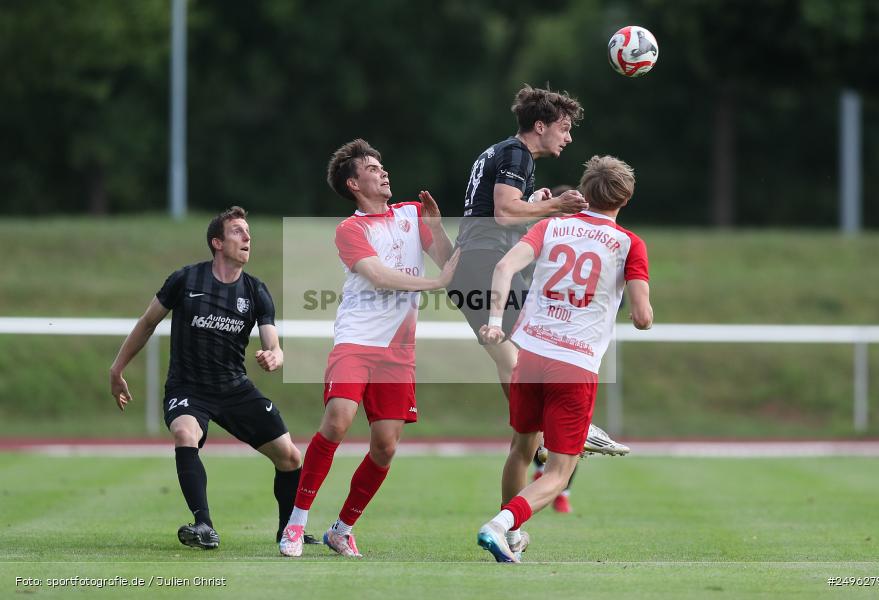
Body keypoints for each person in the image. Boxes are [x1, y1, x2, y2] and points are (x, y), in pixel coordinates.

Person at [279, 139, 458, 558]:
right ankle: (296, 521)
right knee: (338, 421)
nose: (383, 172)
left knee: (385, 446)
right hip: (357, 341)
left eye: (383, 166)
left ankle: (341, 529)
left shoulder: (414, 213)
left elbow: (450, 261)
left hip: (398, 351)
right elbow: (378, 275)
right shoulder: (350, 229)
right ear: (353, 183)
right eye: (373, 169)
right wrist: (433, 284)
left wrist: (438, 225)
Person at [475, 155, 653, 562]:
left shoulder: (551, 225)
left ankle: (513, 536)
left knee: (521, 448)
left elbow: (504, 266)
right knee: (557, 473)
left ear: (585, 192)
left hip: (530, 354)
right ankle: (501, 525)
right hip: (574, 363)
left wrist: (495, 321)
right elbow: (642, 318)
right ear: (625, 198)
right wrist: (635, 308)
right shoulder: (629, 244)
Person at [110, 206, 310, 549]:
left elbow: (273, 343)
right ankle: (203, 525)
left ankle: (286, 531)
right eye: (237, 231)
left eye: (248, 232)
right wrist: (116, 369)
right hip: (188, 388)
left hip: (234, 388)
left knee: (290, 457)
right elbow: (147, 323)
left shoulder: (256, 291)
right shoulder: (185, 280)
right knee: (185, 433)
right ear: (217, 242)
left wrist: (274, 357)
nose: (247, 237)